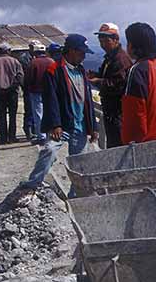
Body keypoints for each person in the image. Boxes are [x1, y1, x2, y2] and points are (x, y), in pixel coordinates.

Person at [19, 34, 97, 190]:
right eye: (81, 53)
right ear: (71, 51)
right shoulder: (54, 70)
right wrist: (55, 124)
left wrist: (93, 126)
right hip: (62, 124)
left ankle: (76, 194)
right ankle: (34, 182)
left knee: (79, 163)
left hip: (80, 123)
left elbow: (87, 100)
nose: (83, 57)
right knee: (49, 151)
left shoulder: (81, 71)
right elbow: (50, 99)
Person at [89, 22, 132, 149]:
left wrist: (97, 81)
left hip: (118, 112)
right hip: (111, 111)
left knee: (118, 146)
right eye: (100, 40)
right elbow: (109, 78)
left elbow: (118, 84)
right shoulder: (110, 58)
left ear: (115, 39)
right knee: (113, 143)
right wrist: (96, 75)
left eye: (105, 40)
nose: (102, 44)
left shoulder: (121, 59)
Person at [0, 43, 23, 145]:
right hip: (12, 92)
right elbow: (20, 76)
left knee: (2, 115)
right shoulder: (15, 61)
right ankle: (12, 137)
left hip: (0, 92)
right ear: (8, 51)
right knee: (12, 116)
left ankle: (3, 138)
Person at [24, 42, 53, 143]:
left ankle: (41, 136)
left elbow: (28, 78)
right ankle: (50, 134)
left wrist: (28, 88)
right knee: (49, 112)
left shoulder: (33, 63)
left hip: (36, 91)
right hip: (50, 91)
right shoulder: (51, 61)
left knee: (38, 114)